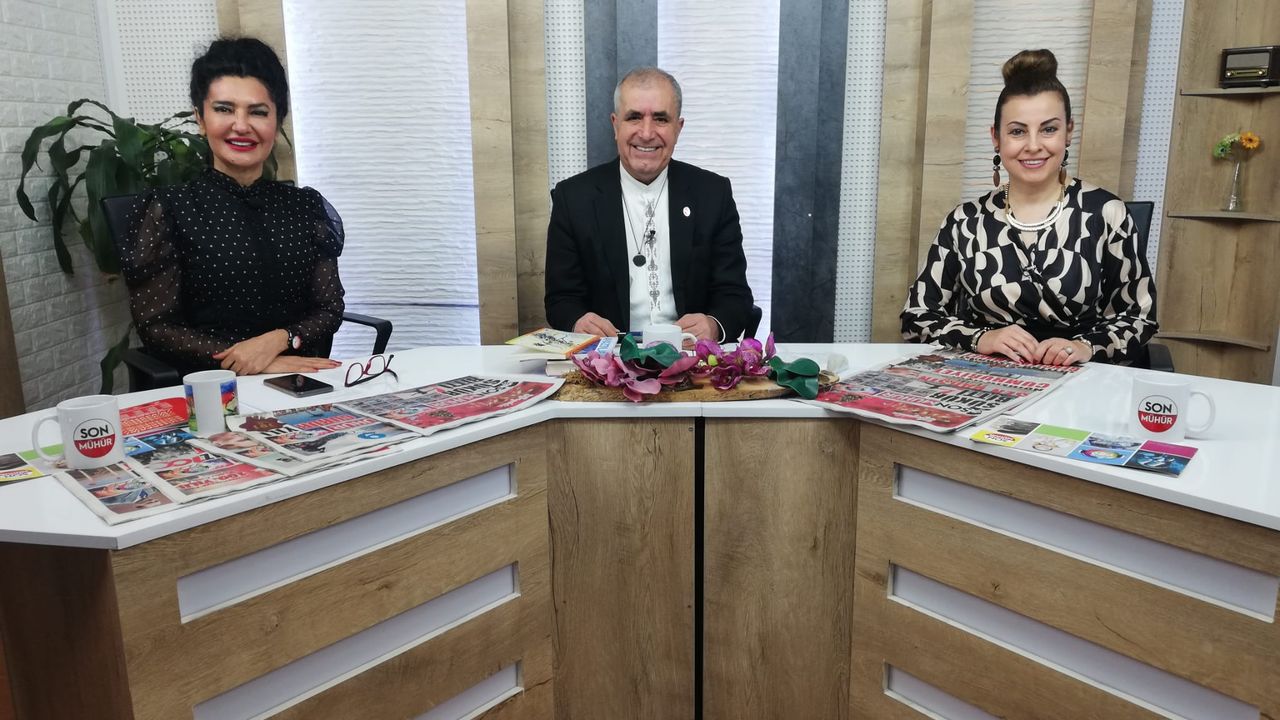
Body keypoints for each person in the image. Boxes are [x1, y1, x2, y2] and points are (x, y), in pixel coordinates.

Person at [901, 49, 1157, 366]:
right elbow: (916, 316)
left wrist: (1085, 347)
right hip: (983, 379)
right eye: (1017, 131)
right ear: (996, 138)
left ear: (1069, 132)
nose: (1033, 145)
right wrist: (981, 338)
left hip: (1079, 380)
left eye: (1049, 129)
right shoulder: (964, 222)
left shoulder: (1106, 213)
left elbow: (1138, 317)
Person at [120, 37, 344, 377]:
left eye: (258, 112)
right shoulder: (170, 209)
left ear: (277, 121)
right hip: (213, 386)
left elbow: (329, 308)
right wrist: (251, 362)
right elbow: (157, 326)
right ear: (200, 118)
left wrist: (278, 341)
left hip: (303, 381)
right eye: (224, 109)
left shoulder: (306, 207)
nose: (241, 125)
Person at [544, 67, 754, 342]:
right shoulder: (573, 198)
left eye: (660, 119)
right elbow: (561, 299)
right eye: (634, 117)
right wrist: (578, 322)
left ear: (678, 128)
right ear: (615, 125)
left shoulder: (713, 194)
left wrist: (713, 325)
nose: (646, 133)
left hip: (691, 355)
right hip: (610, 355)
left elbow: (735, 295)